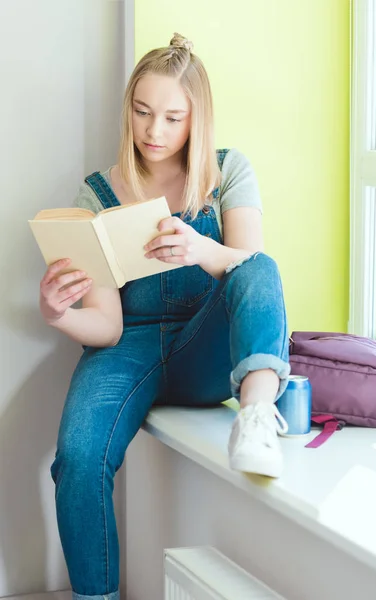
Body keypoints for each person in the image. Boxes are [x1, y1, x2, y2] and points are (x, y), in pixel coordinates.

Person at [40, 33, 290, 600]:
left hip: (205, 340)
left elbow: (249, 269)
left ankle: (256, 414)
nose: (154, 132)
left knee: (259, 265)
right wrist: (59, 314)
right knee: (77, 462)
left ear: (196, 120)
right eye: (142, 112)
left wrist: (200, 250)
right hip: (126, 347)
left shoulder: (227, 172)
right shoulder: (97, 193)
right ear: (127, 108)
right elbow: (104, 324)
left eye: (173, 118)